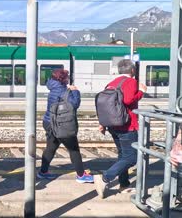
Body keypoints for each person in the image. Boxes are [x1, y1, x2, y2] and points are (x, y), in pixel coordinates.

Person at [94, 59, 147, 198]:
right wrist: (141, 91)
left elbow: (105, 105)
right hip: (127, 126)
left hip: (113, 125)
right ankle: (105, 178)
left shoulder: (111, 83)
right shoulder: (131, 82)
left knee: (123, 155)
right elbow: (129, 100)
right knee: (131, 158)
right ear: (133, 71)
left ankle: (124, 184)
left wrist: (103, 123)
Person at [37, 69, 94, 183]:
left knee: (51, 148)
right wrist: (76, 91)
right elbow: (74, 104)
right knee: (73, 149)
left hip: (49, 122)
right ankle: (81, 176)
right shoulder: (63, 91)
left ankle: (43, 172)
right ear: (63, 79)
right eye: (67, 77)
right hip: (62, 124)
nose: (68, 79)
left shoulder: (53, 88)